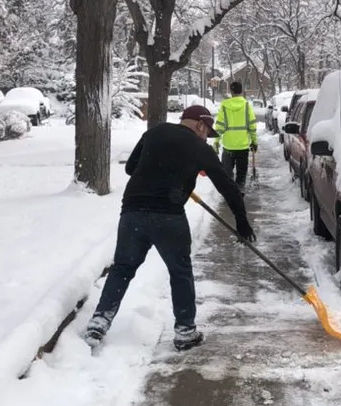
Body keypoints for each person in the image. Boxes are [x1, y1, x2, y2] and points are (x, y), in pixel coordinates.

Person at [83, 105, 256, 352]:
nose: (207, 136)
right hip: (169, 217)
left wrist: (164, 170)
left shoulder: (155, 132)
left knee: (122, 268)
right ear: (199, 125)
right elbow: (227, 185)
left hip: (133, 212)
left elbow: (131, 168)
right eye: (207, 131)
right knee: (180, 271)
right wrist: (241, 220)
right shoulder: (199, 147)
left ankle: (99, 322)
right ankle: (185, 332)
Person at [214, 81, 257, 192]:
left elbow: (219, 126)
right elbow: (252, 125)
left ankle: (230, 193)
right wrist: (254, 141)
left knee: (227, 173)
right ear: (241, 91)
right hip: (243, 147)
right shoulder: (247, 105)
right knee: (241, 173)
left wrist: (216, 141)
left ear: (231, 91)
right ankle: (239, 190)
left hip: (228, 146)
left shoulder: (224, 106)